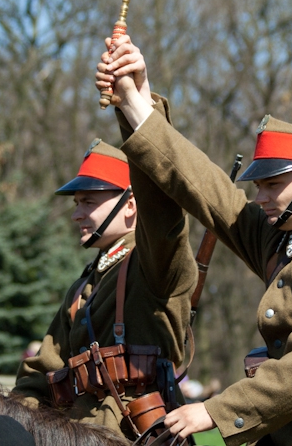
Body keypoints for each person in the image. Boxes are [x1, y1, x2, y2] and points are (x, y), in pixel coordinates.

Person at [97, 35, 292, 446]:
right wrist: (135, 101)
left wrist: (216, 410)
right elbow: (201, 186)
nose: (260, 198)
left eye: (273, 184)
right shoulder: (286, 241)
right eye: (257, 186)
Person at [12, 138, 196, 441]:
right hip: (78, 431)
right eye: (77, 203)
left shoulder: (152, 264)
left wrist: (139, 120)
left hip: (135, 432)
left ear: (131, 205)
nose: (76, 215)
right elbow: (42, 372)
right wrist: (13, 417)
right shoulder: (86, 283)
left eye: (89, 202)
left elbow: (164, 222)